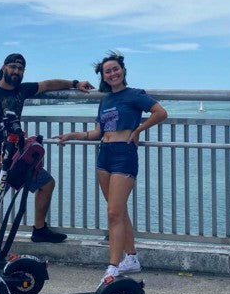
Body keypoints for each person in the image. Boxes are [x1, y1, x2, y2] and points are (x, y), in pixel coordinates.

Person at [55, 51, 167, 282]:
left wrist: (138, 130)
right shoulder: (105, 100)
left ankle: (112, 268)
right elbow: (98, 132)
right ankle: (132, 258)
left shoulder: (135, 95)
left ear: (123, 71)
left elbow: (160, 112)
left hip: (123, 155)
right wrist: (74, 134)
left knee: (113, 213)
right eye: (108, 71)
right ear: (103, 77)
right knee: (118, 210)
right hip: (104, 155)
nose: (113, 73)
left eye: (116, 69)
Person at [0, 53, 95, 244]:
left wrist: (75, 83)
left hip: (18, 157)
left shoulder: (22, 90)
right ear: (3, 67)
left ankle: (39, 230)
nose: (16, 71)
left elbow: (47, 85)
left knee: (46, 184)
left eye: (20, 69)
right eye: (12, 67)